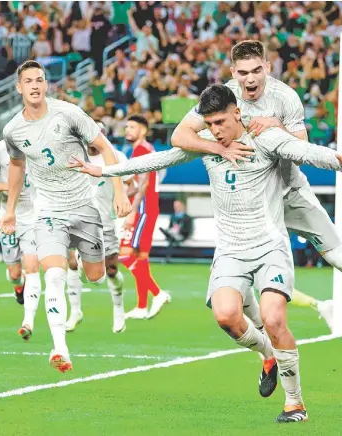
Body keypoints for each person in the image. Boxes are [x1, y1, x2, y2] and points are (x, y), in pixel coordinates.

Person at [69, 84, 342, 423]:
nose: (215, 130)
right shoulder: (208, 148)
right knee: (226, 316)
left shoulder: (265, 141)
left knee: (273, 318)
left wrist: (335, 159)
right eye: (209, 123)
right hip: (230, 250)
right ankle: (267, 354)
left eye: (221, 122)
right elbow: (160, 158)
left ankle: (294, 402)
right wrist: (104, 170)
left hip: (270, 245)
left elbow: (305, 151)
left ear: (237, 114)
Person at [170, 39, 337, 329]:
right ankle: (267, 349)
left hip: (290, 192)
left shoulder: (285, 97)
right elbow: (179, 135)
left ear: (267, 68)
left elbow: (302, 150)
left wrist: (276, 125)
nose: (250, 78)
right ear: (233, 72)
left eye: (257, 71)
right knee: (240, 283)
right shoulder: (223, 97)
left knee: (337, 254)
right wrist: (220, 149)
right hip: (253, 206)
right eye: (243, 72)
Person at [0, 60, 131, 373]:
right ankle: (60, 348)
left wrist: (119, 191)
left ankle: (85, 263)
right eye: (28, 81)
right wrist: (11, 210)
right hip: (49, 211)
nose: (34, 85)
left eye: (39, 80)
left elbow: (105, 148)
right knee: (54, 275)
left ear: (46, 85)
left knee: (97, 275)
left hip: (84, 205)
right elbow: (17, 167)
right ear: (19, 88)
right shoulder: (13, 130)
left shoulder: (68, 113)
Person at [66, 122, 138, 334]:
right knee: (71, 264)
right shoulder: (74, 157)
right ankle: (75, 311)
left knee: (112, 268)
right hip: (77, 220)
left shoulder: (115, 157)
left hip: (106, 221)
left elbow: (132, 186)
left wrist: (120, 200)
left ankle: (118, 309)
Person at [0, 140, 41, 340]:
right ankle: (18, 285)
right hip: (7, 218)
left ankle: (28, 322)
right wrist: (10, 186)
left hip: (33, 217)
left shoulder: (40, 146)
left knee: (32, 268)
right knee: (14, 273)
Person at [120, 115, 170, 320]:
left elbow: (143, 184)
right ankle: (141, 306)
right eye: (126, 127)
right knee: (141, 257)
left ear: (143, 130)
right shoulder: (149, 149)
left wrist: (132, 211)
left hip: (143, 209)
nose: (127, 130)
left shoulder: (141, 151)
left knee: (124, 254)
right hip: (150, 207)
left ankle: (157, 293)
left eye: (132, 127)